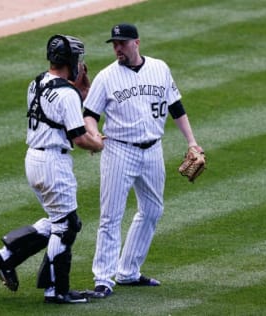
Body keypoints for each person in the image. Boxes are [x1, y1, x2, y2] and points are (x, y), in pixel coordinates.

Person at [83, 23, 204, 298]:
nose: (117, 48)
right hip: (119, 151)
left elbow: (176, 107)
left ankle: (128, 272)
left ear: (136, 43)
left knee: (152, 210)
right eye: (114, 44)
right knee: (110, 216)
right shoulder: (106, 76)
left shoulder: (160, 68)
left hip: (153, 151)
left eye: (122, 43)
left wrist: (192, 141)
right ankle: (103, 278)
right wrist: (93, 133)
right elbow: (89, 112)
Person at [0, 34, 104, 304]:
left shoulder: (37, 82)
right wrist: (97, 144)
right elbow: (79, 136)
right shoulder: (67, 95)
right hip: (54, 162)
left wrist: (81, 91)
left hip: (34, 160)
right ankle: (57, 290)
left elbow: (57, 106)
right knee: (66, 226)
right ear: (72, 61)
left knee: (57, 220)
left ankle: (6, 257)